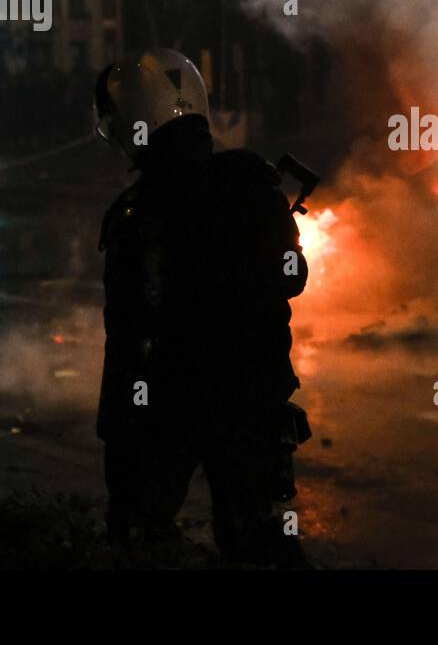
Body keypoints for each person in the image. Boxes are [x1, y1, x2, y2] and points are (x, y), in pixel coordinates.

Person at [93, 47, 309, 566]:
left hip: (169, 404)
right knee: (252, 534)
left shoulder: (135, 213)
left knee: (142, 534)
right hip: (252, 395)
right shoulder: (252, 181)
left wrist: (119, 425)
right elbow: (293, 277)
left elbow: (130, 330)